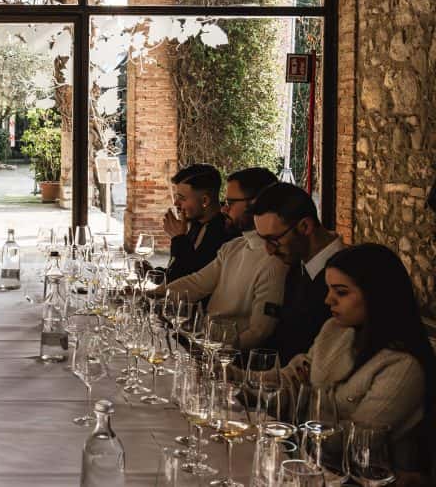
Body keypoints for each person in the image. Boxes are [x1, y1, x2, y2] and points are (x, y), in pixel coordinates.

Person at [279, 244, 434, 471]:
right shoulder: (336, 330)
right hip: (312, 462)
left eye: (341, 292)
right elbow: (291, 377)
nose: (328, 300)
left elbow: (350, 442)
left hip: (359, 476)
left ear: (377, 294)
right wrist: (234, 377)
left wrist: (306, 396)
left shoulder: (403, 366)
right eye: (329, 290)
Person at [152, 168, 286, 350]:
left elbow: (259, 333)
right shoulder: (235, 246)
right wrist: (154, 294)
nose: (224, 208)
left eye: (230, 202)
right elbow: (197, 283)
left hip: (225, 355)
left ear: (257, 204)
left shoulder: (273, 261)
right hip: (202, 340)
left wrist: (214, 354)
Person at [253, 182, 344, 365]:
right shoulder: (298, 266)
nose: (269, 251)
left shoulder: (346, 279)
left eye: (274, 240)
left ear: (305, 227)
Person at [163, 163, 234, 283]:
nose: (176, 203)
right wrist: (153, 273)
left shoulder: (224, 233)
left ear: (205, 200)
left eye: (182, 198)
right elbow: (180, 268)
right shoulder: (195, 224)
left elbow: (187, 282)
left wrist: (178, 239)